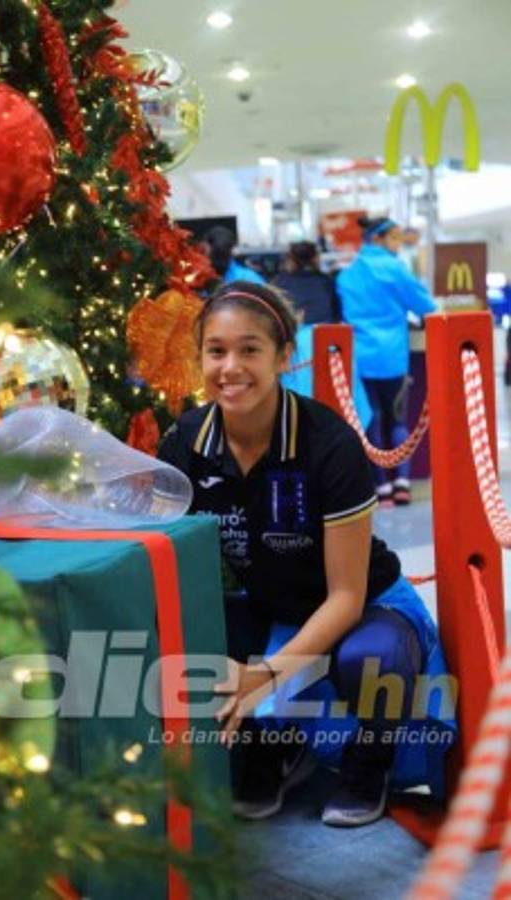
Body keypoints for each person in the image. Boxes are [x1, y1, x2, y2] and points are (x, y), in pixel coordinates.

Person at [158, 280, 455, 827]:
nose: (231, 367)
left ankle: (371, 764)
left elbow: (345, 597)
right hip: (272, 604)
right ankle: (275, 749)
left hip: (366, 602)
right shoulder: (184, 443)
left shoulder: (328, 443)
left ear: (284, 356)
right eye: (216, 351)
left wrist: (268, 674)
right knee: (205, 635)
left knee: (371, 659)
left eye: (250, 350)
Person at [336, 217, 437, 506]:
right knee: (398, 418)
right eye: (394, 238)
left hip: (360, 357)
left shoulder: (346, 275)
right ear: (377, 238)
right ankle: (402, 484)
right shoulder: (395, 269)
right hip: (392, 356)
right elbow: (426, 306)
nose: (398, 244)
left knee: (372, 420)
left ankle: (381, 490)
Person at [273, 240, 340, 325]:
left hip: (293, 333)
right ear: (316, 258)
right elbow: (337, 315)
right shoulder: (327, 283)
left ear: (290, 259)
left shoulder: (279, 283)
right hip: (323, 333)